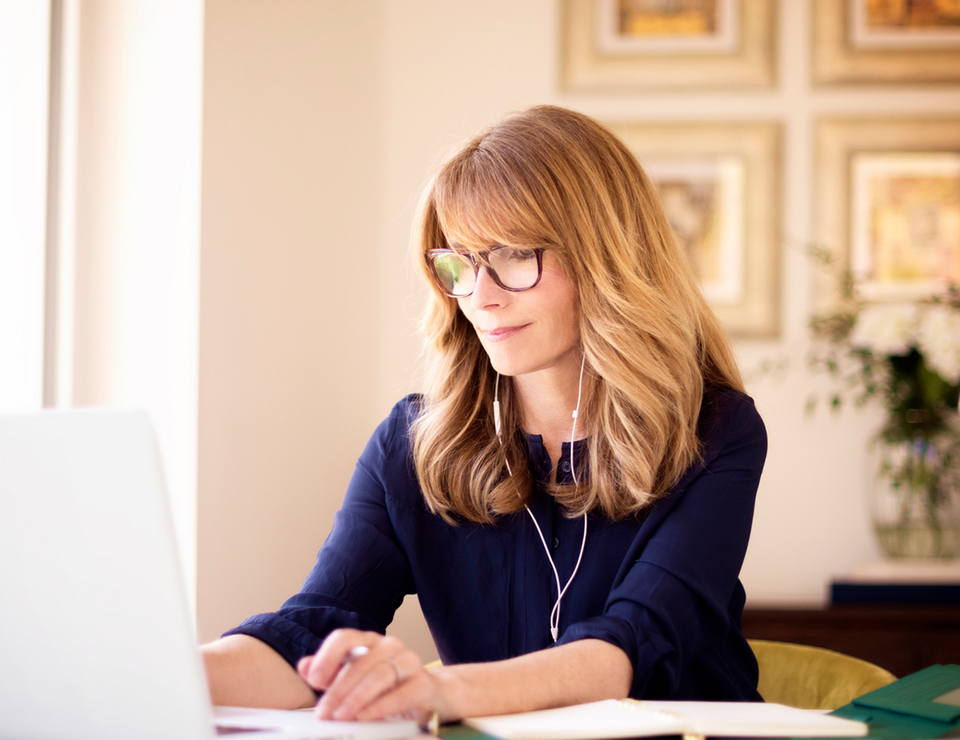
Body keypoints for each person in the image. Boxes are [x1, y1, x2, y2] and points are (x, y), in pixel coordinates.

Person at [201, 105, 767, 727]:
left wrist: (437, 691)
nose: (481, 294)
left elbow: (631, 646)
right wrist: (161, 672)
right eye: (460, 262)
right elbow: (313, 630)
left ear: (607, 255)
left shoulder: (715, 431)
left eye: (517, 256)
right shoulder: (413, 443)